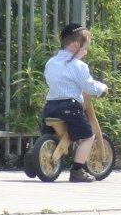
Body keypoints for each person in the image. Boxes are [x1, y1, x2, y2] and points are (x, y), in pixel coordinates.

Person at [41, 23, 108, 182]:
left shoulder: (51, 62)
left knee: (53, 134)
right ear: (76, 45)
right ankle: (77, 170)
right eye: (85, 48)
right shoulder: (78, 66)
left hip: (50, 106)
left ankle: (37, 158)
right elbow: (89, 87)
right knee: (88, 136)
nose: (86, 52)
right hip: (70, 106)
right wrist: (102, 89)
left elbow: (49, 78)